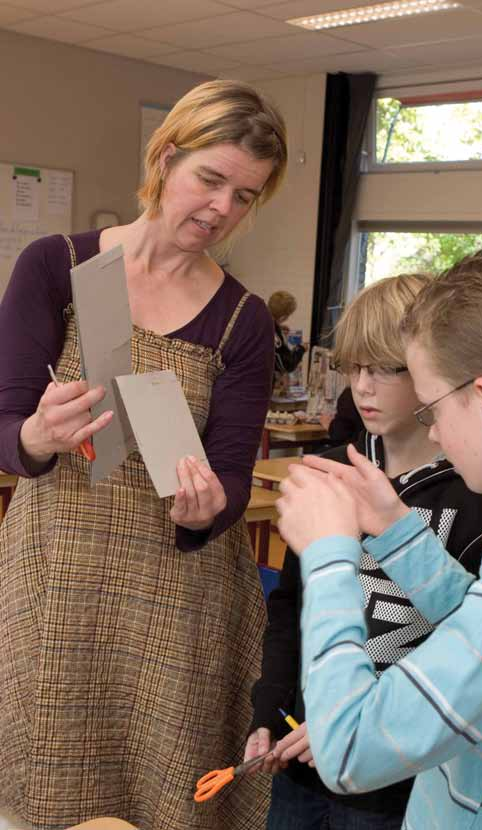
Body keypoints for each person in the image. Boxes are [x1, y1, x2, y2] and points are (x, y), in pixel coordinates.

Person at [0, 79, 287, 830]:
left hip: (175, 583)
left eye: (245, 197)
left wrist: (210, 505)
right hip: (56, 576)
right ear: (165, 159)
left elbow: (228, 472)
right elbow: (4, 423)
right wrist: (34, 436)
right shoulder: (56, 268)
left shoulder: (242, 321)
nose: (223, 209)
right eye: (210, 179)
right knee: (43, 786)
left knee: (160, 794)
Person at [276, 245, 482, 828]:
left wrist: (329, 556)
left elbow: (350, 750)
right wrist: (395, 531)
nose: (432, 427)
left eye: (433, 408)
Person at [246, 274, 482, 829]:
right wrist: (269, 706)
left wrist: (359, 721)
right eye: (354, 367)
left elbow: (465, 652)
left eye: (386, 369)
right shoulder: (330, 470)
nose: (362, 387)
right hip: (300, 761)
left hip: (396, 782)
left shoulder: (478, 495)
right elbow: (291, 608)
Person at [267, 290, 307, 382]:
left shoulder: (263, 322)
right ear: (283, 317)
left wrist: (278, 327)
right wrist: (301, 349)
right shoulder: (273, 333)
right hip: (262, 384)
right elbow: (287, 365)